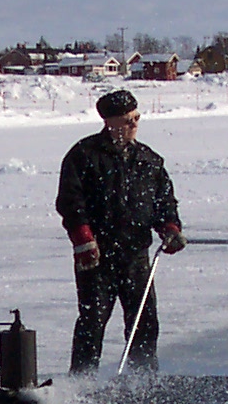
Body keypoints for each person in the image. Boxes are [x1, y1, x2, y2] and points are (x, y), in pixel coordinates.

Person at [56, 87, 184, 376]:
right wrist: (84, 239)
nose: (134, 124)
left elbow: (164, 201)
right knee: (92, 324)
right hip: (96, 258)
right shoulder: (83, 155)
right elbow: (70, 202)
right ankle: (82, 385)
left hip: (135, 257)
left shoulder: (149, 160)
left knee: (145, 323)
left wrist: (170, 228)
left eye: (137, 117)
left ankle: (143, 382)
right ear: (109, 122)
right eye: (127, 120)